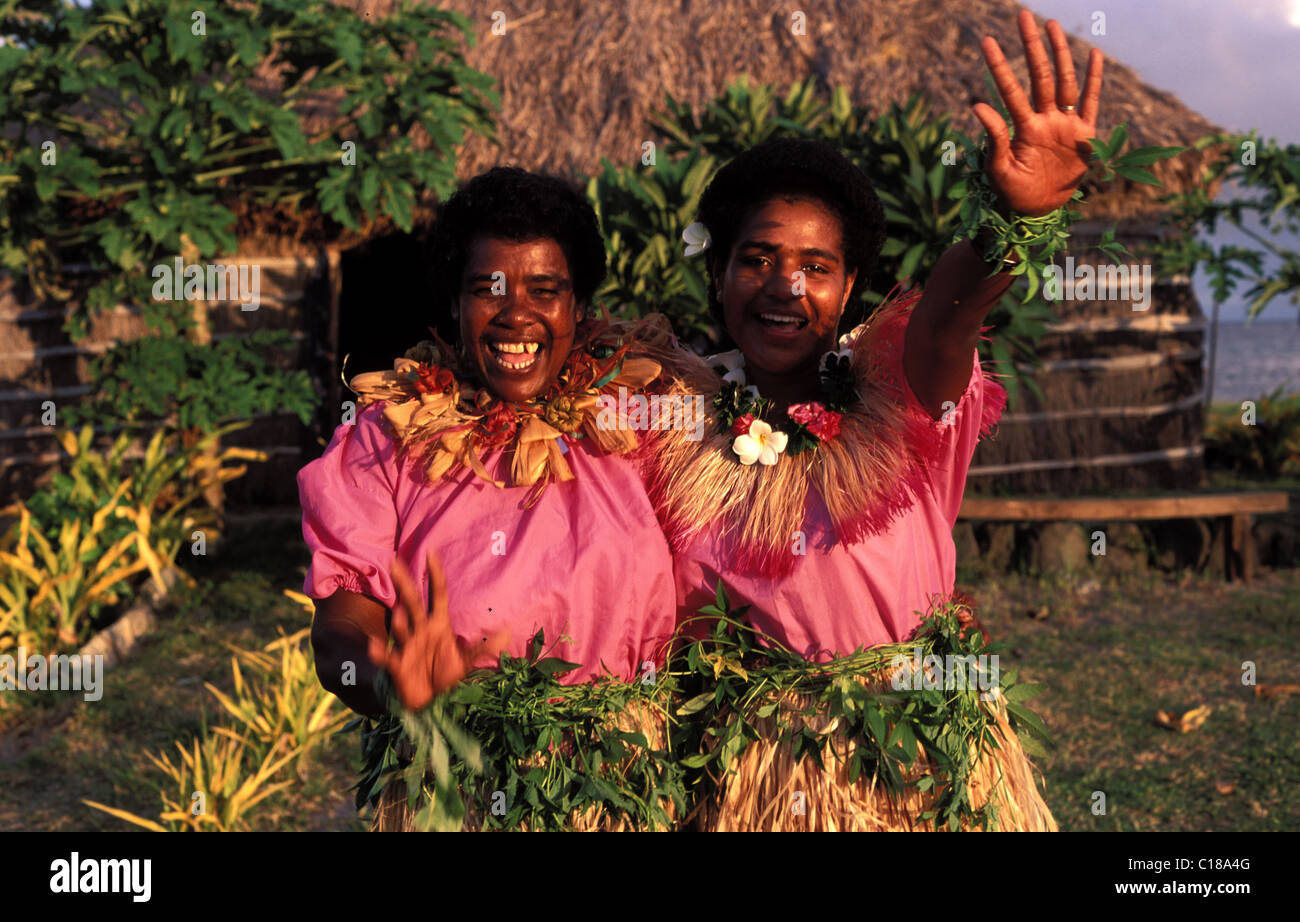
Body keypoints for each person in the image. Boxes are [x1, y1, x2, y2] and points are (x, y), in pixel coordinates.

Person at [643, 11, 1101, 830]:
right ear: (718, 274)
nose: (785, 287)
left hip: (922, 758)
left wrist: (1012, 220)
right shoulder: (669, 422)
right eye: (758, 260)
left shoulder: (898, 390)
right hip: (752, 780)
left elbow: (948, 321)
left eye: (816, 267)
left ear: (850, 288)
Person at [299, 167, 679, 830]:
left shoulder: (642, 423)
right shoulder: (386, 439)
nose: (516, 314)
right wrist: (391, 682)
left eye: (545, 290)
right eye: (487, 290)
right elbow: (341, 627)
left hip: (624, 790)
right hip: (456, 791)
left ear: (579, 306)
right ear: (453, 302)